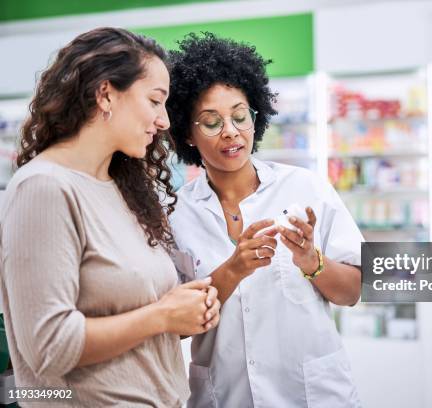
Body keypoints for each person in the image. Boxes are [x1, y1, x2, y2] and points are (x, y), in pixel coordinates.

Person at [0, 27, 221, 407]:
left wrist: (184, 305)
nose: (164, 120)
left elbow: (133, 302)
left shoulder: (123, 187)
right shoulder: (44, 188)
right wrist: (163, 316)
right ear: (105, 94)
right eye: (155, 101)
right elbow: (49, 347)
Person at [166, 32, 363, 407]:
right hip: (225, 395)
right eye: (211, 122)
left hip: (310, 395)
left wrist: (312, 262)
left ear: (256, 117)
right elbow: (173, 326)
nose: (230, 131)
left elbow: (352, 292)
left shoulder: (304, 187)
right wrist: (233, 270)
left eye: (240, 116)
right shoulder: (176, 213)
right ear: (186, 133)